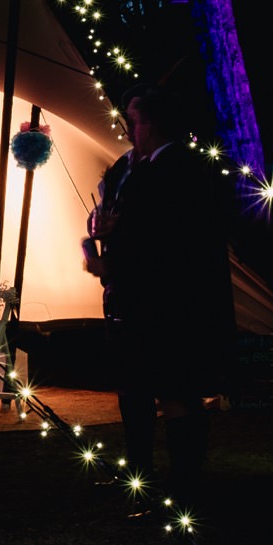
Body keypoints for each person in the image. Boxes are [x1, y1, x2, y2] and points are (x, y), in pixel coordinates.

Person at [82, 88, 234, 510]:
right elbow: (108, 210)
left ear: (151, 123)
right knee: (133, 390)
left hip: (170, 302)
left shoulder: (181, 169)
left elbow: (171, 239)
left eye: (133, 118)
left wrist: (114, 258)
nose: (127, 127)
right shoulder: (127, 166)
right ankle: (140, 479)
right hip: (128, 299)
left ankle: (184, 487)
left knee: (174, 391)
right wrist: (100, 226)